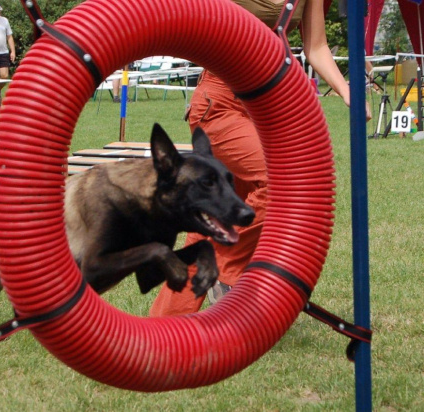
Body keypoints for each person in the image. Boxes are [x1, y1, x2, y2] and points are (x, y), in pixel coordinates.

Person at [149, 0, 372, 317]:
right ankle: (226, 269)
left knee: (210, 223)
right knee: (281, 181)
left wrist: (346, 89)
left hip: (268, 107)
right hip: (221, 105)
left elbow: (317, 46)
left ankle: (163, 328)